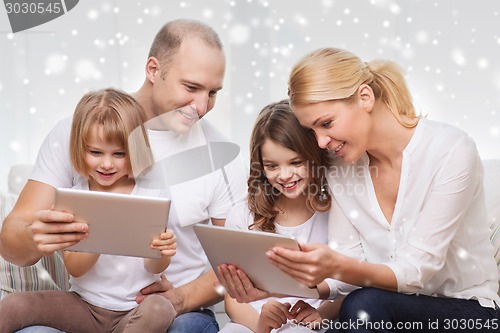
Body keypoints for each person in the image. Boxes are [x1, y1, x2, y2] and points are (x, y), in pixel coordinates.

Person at [0, 19, 247, 333]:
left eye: (213, 93)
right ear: (153, 69)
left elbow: (237, 263)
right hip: (88, 305)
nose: (202, 106)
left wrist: (180, 298)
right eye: (191, 87)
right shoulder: (78, 132)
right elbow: (12, 242)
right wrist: (37, 236)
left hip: (176, 311)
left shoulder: (220, 156)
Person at [260, 48, 500, 332]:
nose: (321, 141)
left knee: (363, 306)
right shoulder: (339, 166)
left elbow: (417, 271)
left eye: (326, 123)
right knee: (356, 310)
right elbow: (350, 265)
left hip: (468, 313)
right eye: (312, 131)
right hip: (385, 312)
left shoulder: (451, 151)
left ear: (365, 97)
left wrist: (335, 266)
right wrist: (283, 286)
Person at [0, 88, 178, 333]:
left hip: (133, 310)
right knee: (13, 305)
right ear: (79, 149)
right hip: (83, 307)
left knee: (161, 308)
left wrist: (164, 252)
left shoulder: (151, 195)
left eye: (119, 154)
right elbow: (75, 268)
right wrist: (99, 234)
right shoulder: (75, 197)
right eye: (95, 152)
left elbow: (154, 268)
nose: (106, 164)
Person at [218, 100, 340, 333]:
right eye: (272, 166)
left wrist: (320, 313)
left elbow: (347, 287)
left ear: (314, 157)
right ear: (260, 167)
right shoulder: (243, 214)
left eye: (295, 162)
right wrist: (260, 324)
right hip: (252, 320)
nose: (285, 175)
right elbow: (232, 297)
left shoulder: (334, 212)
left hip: (307, 323)